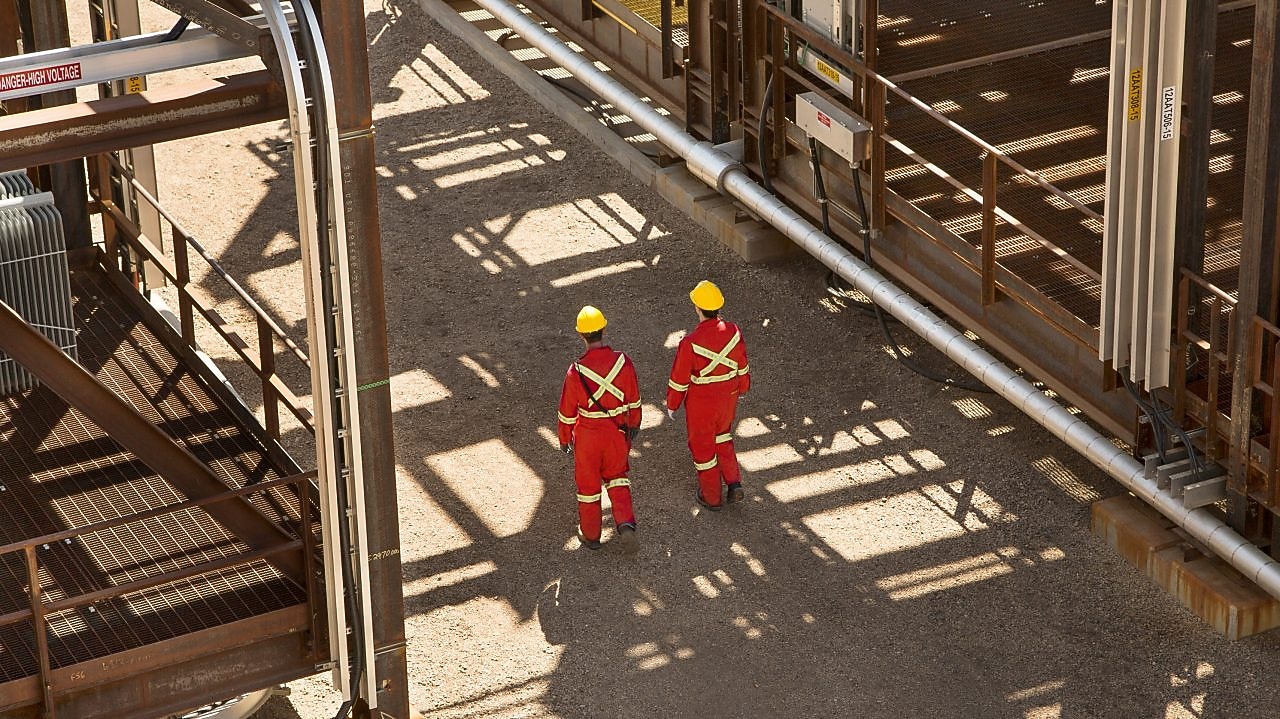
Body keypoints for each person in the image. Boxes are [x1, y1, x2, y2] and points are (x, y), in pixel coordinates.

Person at [557, 305, 641, 552]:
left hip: (587, 437)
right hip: (616, 433)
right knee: (617, 478)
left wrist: (564, 438)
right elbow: (633, 399)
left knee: (588, 486)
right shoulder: (623, 362)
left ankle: (591, 534)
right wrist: (634, 423)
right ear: (604, 329)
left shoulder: (576, 371)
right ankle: (625, 523)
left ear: (581, 335)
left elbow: (567, 412)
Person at [666, 280, 750, 511]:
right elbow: (742, 365)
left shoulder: (690, 343)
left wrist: (672, 404)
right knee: (722, 436)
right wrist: (742, 388)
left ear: (697, 307)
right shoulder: (734, 332)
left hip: (701, 403)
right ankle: (733, 482)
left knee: (703, 448)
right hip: (728, 398)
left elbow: (679, 379)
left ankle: (712, 496)